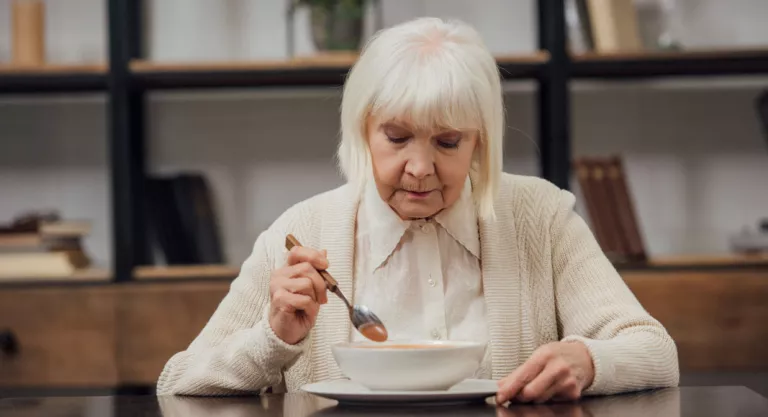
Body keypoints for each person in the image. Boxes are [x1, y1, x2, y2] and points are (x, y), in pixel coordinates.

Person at [156, 17, 679, 403]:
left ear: (481, 143)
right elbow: (179, 381)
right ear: (363, 130)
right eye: (398, 137)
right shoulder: (300, 231)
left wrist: (588, 361)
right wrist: (275, 338)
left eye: (448, 142)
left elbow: (654, 350)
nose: (420, 168)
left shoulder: (540, 217)